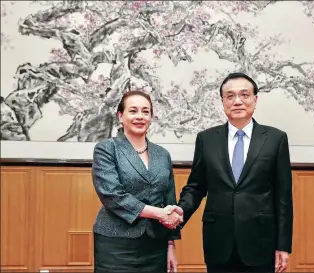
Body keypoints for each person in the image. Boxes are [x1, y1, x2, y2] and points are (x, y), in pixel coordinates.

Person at [167, 72, 293, 273]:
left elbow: (283, 197)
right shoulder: (206, 139)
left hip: (260, 240)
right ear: (222, 101)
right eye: (230, 96)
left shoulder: (275, 139)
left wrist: (283, 246)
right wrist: (181, 210)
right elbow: (196, 186)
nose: (237, 101)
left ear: (255, 99)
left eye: (244, 95)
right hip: (218, 239)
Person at [91, 90, 183, 273]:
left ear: (151, 117)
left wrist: (171, 246)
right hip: (116, 244)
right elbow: (112, 195)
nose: (140, 116)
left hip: (155, 244)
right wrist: (159, 213)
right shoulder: (107, 149)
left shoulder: (162, 154)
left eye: (145, 111)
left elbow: (169, 199)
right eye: (133, 111)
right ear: (120, 116)